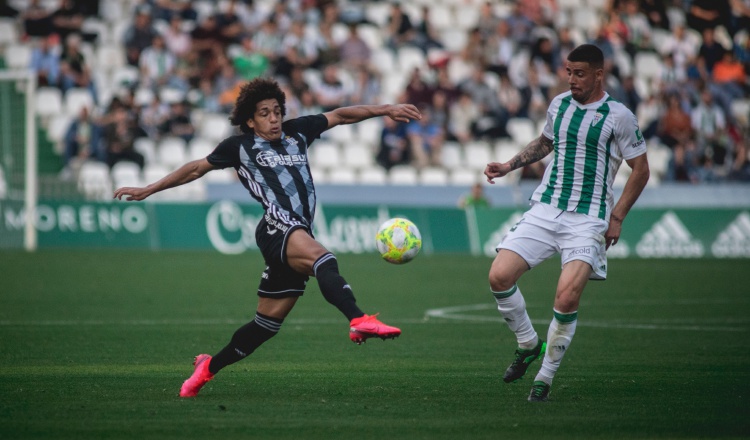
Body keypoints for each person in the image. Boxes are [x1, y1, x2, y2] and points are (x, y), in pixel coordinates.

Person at [113, 78, 422, 398]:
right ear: (250, 120)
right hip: (277, 226)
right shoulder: (239, 147)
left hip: (296, 228)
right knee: (324, 259)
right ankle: (358, 319)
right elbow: (195, 169)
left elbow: (341, 115)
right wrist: (148, 188)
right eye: (264, 113)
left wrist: (385, 109)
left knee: (265, 326)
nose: (273, 118)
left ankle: (206, 368)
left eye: (276, 111)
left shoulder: (298, 131)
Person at [483, 44, 650, 402]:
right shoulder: (559, 104)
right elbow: (546, 142)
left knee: (566, 295)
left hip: (588, 219)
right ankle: (528, 343)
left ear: (598, 74)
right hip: (546, 207)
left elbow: (641, 169)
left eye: (580, 73)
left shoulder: (619, 116)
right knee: (499, 276)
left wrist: (616, 216)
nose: (572, 80)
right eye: (569, 72)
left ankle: (544, 378)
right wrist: (509, 165)